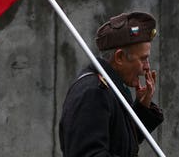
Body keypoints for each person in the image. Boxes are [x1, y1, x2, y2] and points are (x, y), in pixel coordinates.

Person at [59, 11, 164, 157]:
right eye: (143, 59)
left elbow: (120, 144)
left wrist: (142, 108)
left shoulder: (110, 90)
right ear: (120, 57)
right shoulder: (94, 93)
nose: (147, 67)